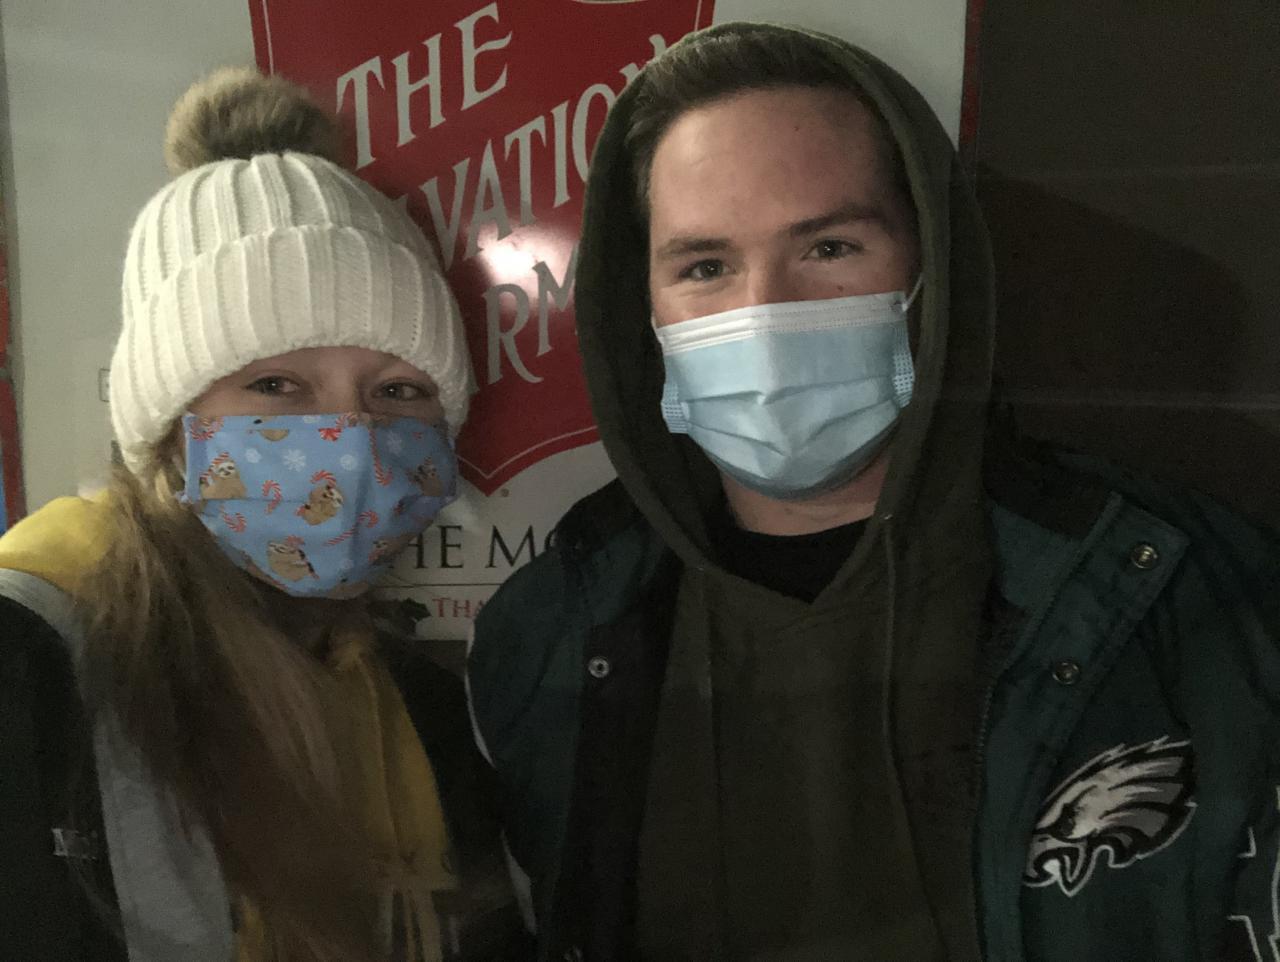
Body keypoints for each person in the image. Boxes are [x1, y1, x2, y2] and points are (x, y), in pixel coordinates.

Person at [467, 21, 1280, 962]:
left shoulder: (1194, 599)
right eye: (706, 267)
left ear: (931, 270)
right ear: (641, 307)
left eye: (830, 247)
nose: (765, 313)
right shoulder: (547, 637)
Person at [0, 69, 528, 961]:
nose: (352, 437)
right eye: (277, 385)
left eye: (398, 391)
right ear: (170, 427)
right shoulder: (31, 660)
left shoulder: (423, 702)